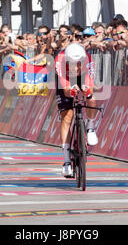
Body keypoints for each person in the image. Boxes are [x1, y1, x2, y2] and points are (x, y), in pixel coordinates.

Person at [55, 41, 98, 177]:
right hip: (66, 79)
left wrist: (86, 90)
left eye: (79, 64)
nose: (76, 67)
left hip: (83, 78)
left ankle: (90, 126)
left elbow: (90, 83)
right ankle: (67, 161)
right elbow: (66, 89)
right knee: (67, 116)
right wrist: (72, 90)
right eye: (73, 64)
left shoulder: (88, 59)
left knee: (91, 97)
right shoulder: (60, 60)